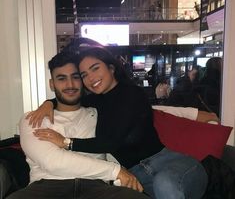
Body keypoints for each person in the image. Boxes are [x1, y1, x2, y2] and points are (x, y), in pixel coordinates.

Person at [28, 47, 217, 199]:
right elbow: (70, 97)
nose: (91, 78)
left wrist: (66, 142)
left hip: (171, 164)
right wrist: (49, 103)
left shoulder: (132, 94)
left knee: (165, 183)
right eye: (84, 74)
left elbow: (110, 142)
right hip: (137, 174)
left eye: (95, 68)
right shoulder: (97, 101)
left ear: (111, 68)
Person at [7, 51, 149, 199]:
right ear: (51, 84)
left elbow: (115, 140)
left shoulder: (99, 112)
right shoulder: (34, 118)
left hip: (96, 187)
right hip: (47, 187)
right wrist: (115, 171)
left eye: (76, 77)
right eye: (61, 79)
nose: (70, 85)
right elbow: (53, 162)